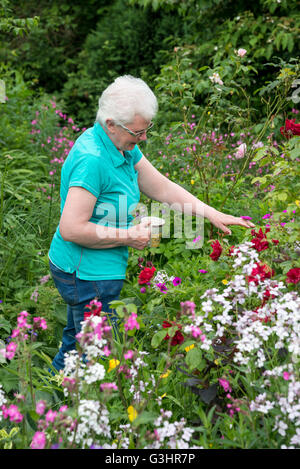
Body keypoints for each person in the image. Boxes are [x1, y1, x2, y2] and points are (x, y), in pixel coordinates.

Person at [48, 75, 255, 372]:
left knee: (76, 344)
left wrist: (210, 212)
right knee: (92, 355)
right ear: (111, 123)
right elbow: (71, 228)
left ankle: (43, 401)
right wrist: (129, 235)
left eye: (146, 129)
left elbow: (162, 188)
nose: (143, 137)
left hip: (96, 268)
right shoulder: (92, 159)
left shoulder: (122, 146)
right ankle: (58, 411)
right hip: (85, 274)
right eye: (138, 131)